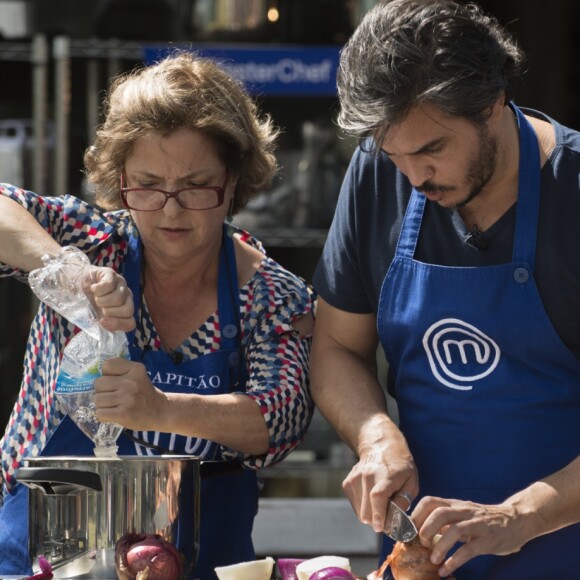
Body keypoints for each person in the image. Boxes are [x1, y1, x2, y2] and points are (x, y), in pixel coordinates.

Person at [0, 52, 315, 579]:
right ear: (119, 177)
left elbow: (279, 420)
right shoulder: (93, 241)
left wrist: (161, 408)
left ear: (233, 181)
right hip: (38, 554)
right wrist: (67, 272)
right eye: (147, 184)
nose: (170, 210)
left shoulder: (272, 296)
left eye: (196, 186)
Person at [310, 0, 580, 578]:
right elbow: (335, 348)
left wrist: (523, 516)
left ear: (493, 102)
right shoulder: (379, 174)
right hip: (423, 561)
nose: (413, 177)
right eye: (394, 154)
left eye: (432, 150)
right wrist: (375, 435)